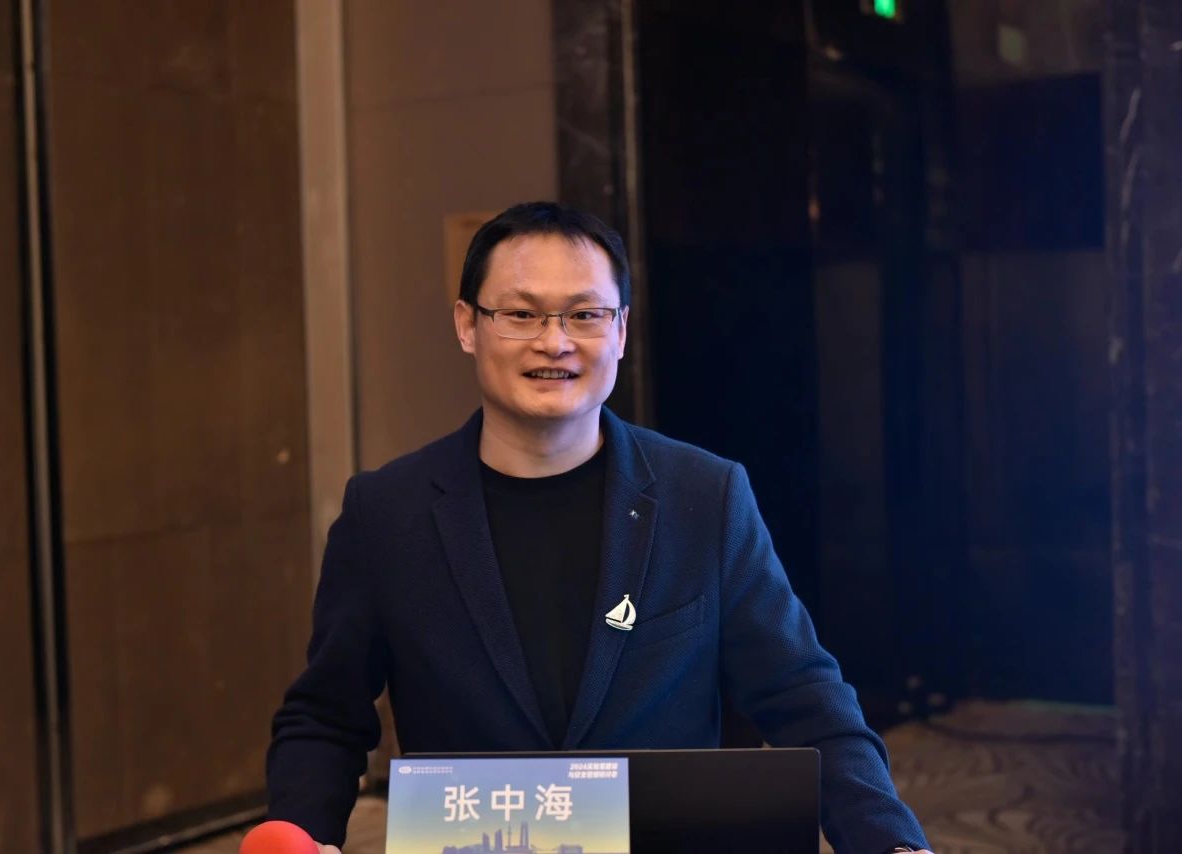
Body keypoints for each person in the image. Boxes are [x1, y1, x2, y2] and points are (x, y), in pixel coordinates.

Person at [267, 201, 932, 854]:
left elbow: (802, 694)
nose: (554, 342)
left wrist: (890, 841)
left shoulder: (705, 496)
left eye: (585, 315)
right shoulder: (387, 512)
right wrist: (304, 835)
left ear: (620, 331)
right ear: (467, 325)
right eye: (521, 314)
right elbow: (325, 717)